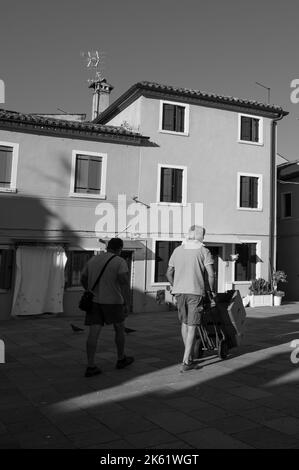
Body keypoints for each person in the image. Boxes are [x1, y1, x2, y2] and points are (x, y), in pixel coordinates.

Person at [81, 237, 134, 377]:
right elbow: (123, 283)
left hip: (94, 302)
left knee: (93, 333)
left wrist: (89, 290)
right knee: (119, 330)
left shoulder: (93, 260)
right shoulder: (119, 261)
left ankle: (91, 365)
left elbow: (83, 278)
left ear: (107, 247)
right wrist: (127, 303)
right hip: (114, 302)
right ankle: (121, 358)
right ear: (120, 249)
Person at [166, 225, 216, 372]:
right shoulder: (203, 251)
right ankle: (186, 361)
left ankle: (189, 356)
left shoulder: (177, 250)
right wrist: (211, 290)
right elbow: (211, 275)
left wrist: (175, 285)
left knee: (185, 323)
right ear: (201, 237)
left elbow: (168, 273)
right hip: (195, 292)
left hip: (179, 292)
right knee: (193, 325)